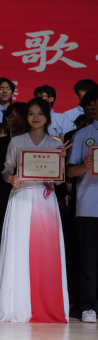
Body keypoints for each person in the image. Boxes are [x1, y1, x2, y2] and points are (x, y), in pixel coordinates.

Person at [0, 98, 70, 323]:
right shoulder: (17, 141)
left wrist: (61, 161)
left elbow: (59, 181)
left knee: (47, 252)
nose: (35, 118)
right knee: (18, 250)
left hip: (45, 199)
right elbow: (6, 170)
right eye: (31, 114)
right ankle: (16, 306)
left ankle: (47, 305)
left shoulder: (56, 144)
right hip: (21, 197)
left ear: (47, 116)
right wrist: (11, 179)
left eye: (40, 113)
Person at [66, 87, 98, 323]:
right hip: (89, 204)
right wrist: (85, 167)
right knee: (88, 259)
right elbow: (69, 172)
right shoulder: (82, 135)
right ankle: (88, 305)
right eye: (91, 102)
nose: (94, 106)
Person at [0, 103, 28, 251]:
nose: (14, 120)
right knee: (4, 247)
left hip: (29, 201)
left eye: (20, 116)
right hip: (4, 199)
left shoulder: (37, 143)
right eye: (11, 117)